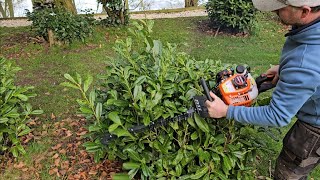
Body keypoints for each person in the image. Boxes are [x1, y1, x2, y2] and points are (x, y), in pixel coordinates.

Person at [205, 0, 320, 179]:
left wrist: (226, 110)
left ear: (305, 12)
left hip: (314, 127)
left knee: (288, 173)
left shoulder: (304, 63)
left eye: (280, 8)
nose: (274, 11)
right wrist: (284, 69)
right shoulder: (311, 33)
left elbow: (277, 116)